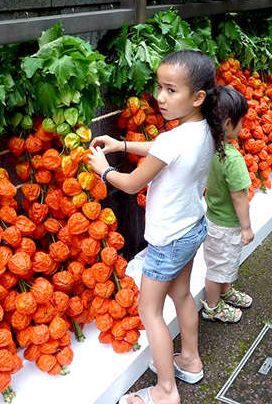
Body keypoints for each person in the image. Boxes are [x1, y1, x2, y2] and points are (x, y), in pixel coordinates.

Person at [88, 50, 222, 404]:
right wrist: (124, 143)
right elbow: (163, 149)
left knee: (150, 312)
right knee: (181, 295)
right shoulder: (206, 127)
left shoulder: (172, 139)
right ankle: (190, 361)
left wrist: (102, 167)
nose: (160, 97)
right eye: (159, 87)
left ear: (197, 97)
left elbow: (131, 184)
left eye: (170, 90)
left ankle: (165, 390)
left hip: (167, 241)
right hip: (192, 228)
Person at [200, 86, 255, 323]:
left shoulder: (206, 149)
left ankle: (225, 291)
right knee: (217, 269)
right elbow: (239, 197)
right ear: (229, 124)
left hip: (213, 218)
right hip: (226, 225)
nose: (243, 125)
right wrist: (246, 227)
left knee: (223, 263)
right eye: (241, 120)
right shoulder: (232, 159)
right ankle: (212, 308)